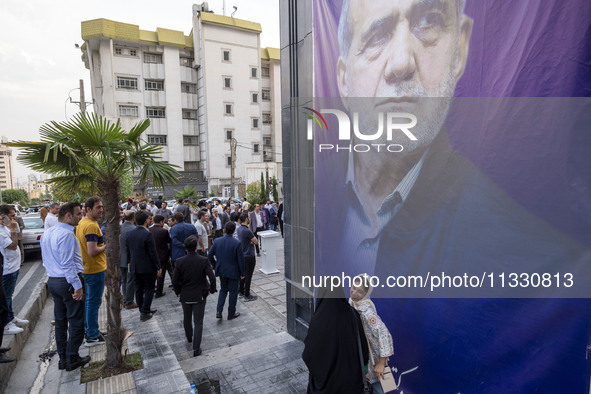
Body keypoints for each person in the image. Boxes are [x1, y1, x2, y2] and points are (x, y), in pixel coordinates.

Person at [313, 1, 591, 392]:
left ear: (459, 49)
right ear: (342, 79)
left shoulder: (535, 265)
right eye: (376, 36)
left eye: (427, 24)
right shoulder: (324, 194)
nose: (401, 63)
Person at [41, 202, 91, 371]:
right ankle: (72, 358)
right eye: (78, 214)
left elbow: (47, 260)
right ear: (68, 215)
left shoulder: (48, 232)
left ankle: (63, 358)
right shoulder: (67, 234)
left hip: (54, 280)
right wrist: (77, 286)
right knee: (76, 321)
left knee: (61, 322)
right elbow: (68, 264)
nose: (81, 217)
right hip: (67, 281)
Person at [302, 286, 369, 394]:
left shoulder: (317, 321)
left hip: (323, 385)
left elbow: (308, 354)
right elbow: (363, 348)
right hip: (350, 384)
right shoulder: (353, 315)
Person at [172, 235, 216, 357]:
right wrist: (212, 290)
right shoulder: (203, 260)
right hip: (200, 294)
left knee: (187, 317)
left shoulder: (179, 261)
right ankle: (196, 348)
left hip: (185, 294)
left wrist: (178, 292)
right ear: (196, 247)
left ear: (186, 247)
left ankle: (189, 337)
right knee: (198, 321)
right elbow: (212, 277)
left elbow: (175, 280)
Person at [350, 274, 394, 394]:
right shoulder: (354, 303)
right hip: (364, 357)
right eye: (353, 287)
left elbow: (384, 333)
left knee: (379, 388)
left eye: (359, 291)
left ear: (366, 293)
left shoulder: (367, 312)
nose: (354, 293)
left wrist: (381, 363)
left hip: (374, 361)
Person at [76, 197, 106, 346]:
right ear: (88, 209)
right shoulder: (91, 226)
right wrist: (106, 246)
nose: (101, 210)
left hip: (88, 268)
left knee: (90, 302)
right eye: (97, 207)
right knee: (93, 303)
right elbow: (92, 251)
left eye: (101, 207)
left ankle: (92, 331)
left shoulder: (83, 222)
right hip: (94, 269)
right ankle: (92, 335)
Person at [126, 210, 161, 322]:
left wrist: (129, 264)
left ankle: (143, 309)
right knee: (149, 288)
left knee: (138, 289)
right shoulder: (147, 234)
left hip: (135, 266)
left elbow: (127, 251)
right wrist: (157, 266)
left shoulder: (129, 233)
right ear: (146, 220)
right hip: (147, 266)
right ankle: (145, 311)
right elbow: (152, 252)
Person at [0, 205, 28, 336]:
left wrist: (12, 227)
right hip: (7, 268)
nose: (13, 219)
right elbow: (12, 245)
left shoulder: (5, 227)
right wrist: (12, 229)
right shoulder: (1, 231)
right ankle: (6, 323)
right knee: (6, 297)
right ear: (2, 215)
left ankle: (10, 317)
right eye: (11, 216)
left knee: (9, 294)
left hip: (14, 266)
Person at [208, 222, 244, 320]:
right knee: (233, 292)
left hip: (222, 270)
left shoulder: (217, 241)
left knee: (223, 290)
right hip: (233, 271)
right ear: (233, 230)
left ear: (224, 229)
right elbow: (240, 260)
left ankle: (219, 311)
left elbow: (210, 255)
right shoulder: (237, 243)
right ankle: (231, 313)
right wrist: (242, 273)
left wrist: (216, 265)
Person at [236, 213, 258, 301]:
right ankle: (247, 294)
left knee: (243, 274)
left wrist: (250, 241)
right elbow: (256, 241)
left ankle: (240, 291)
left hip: (242, 255)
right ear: (246, 219)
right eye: (248, 218)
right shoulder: (247, 230)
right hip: (249, 255)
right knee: (248, 275)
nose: (249, 219)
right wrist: (252, 241)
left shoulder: (238, 229)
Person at [149, 215, 172, 299]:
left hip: (152, 255)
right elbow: (169, 241)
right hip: (162, 255)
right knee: (161, 274)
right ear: (161, 222)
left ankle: (151, 289)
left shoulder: (148, 230)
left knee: (152, 274)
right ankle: (159, 291)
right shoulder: (164, 231)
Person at [119, 210, 137, 309]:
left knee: (124, 279)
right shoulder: (133, 229)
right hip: (129, 260)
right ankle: (129, 301)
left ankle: (126, 299)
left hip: (120, 258)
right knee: (130, 280)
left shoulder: (119, 228)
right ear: (133, 218)